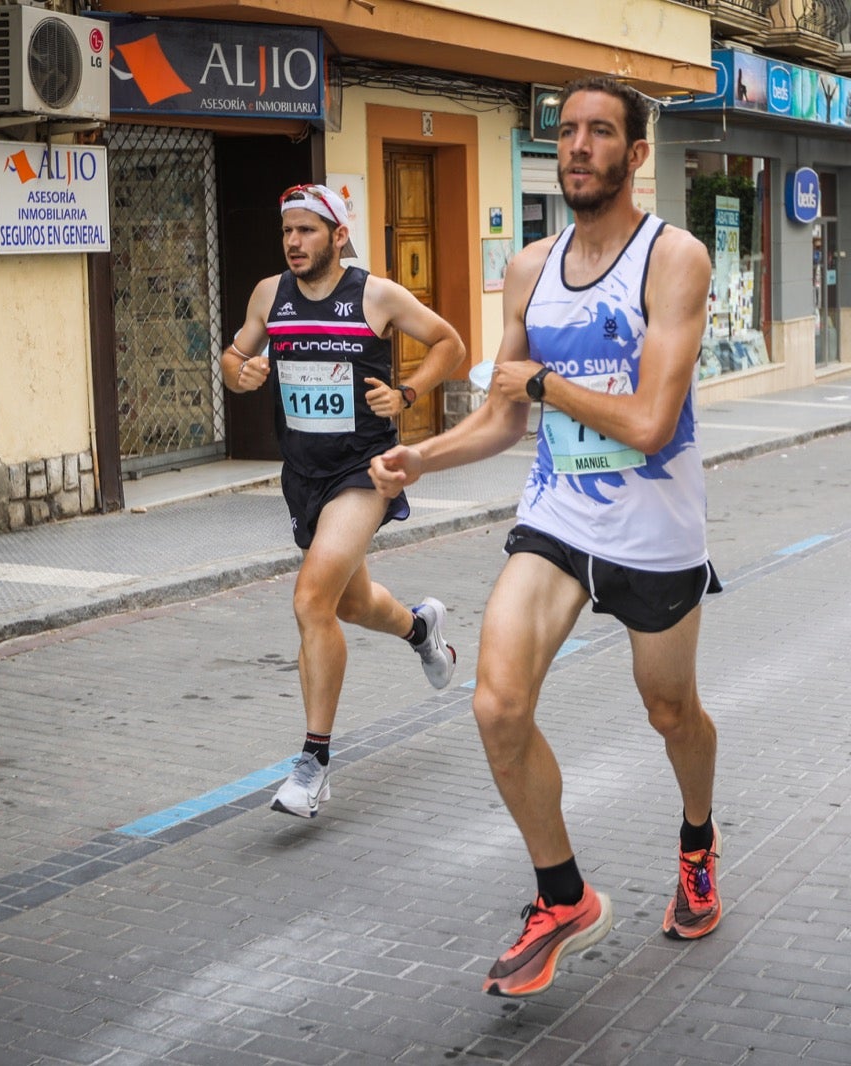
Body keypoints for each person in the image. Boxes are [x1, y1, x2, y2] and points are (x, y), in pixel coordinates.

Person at [369, 76, 723, 997]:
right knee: (497, 705)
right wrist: (425, 455)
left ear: (636, 155)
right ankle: (562, 895)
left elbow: (650, 421)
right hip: (558, 515)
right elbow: (501, 417)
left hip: (655, 531)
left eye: (601, 132)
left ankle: (697, 839)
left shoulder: (673, 260)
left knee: (670, 711)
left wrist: (545, 386)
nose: (578, 147)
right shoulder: (528, 269)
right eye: (566, 132)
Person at [222, 183, 466, 819]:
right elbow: (236, 353)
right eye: (287, 232)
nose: (293, 243)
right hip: (303, 474)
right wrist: (236, 370)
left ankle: (314, 764)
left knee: (309, 600)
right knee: (349, 603)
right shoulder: (268, 294)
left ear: (336, 235)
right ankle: (422, 629)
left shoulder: (374, 294)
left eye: (306, 231)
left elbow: (450, 344)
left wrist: (407, 394)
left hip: (365, 471)